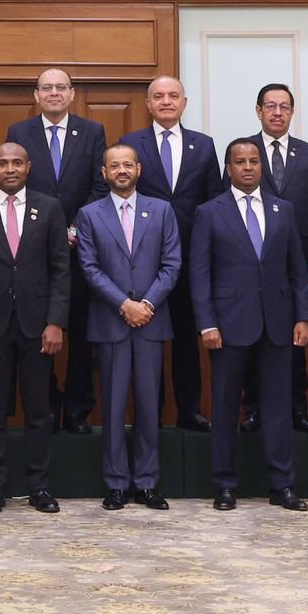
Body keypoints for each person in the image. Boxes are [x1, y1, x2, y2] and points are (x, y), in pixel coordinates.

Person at [192, 139, 308, 512]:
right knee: (225, 408)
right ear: (228, 169)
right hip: (228, 325)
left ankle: (282, 484)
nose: (248, 167)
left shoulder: (283, 209)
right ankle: (224, 485)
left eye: (254, 161)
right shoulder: (209, 212)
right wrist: (207, 323)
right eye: (240, 162)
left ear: (262, 166)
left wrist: (303, 316)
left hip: (277, 323)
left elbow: (297, 270)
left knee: (278, 407)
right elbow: (199, 273)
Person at [0, 142, 71, 514]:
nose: (10, 169)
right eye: (3, 163)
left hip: (38, 326)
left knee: (39, 411)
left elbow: (60, 270)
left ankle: (40, 487)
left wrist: (55, 322)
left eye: (17, 163)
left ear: (28, 167)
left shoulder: (49, 208)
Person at [76, 143, 181, 510]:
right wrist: (124, 304)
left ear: (139, 170)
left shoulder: (162, 210)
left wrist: (146, 304)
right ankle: (116, 483)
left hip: (151, 321)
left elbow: (172, 264)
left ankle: (148, 483)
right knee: (113, 406)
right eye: (114, 166)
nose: (121, 170)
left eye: (127, 165)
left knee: (150, 406)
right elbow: (89, 267)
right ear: (104, 173)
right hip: (111, 321)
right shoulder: (89, 214)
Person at [5, 68, 105, 434]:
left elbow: (99, 185)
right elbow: (15, 184)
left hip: (82, 249)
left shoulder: (92, 131)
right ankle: (45, 405)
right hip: (34, 249)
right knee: (36, 331)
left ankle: (78, 409)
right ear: (36, 95)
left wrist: (75, 228)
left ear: (72, 93)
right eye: (46, 88)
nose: (54, 93)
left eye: (61, 87)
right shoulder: (20, 132)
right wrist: (47, 230)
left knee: (80, 333)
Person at [118, 76, 220, 432]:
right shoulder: (131, 143)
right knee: (148, 341)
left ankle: (189, 411)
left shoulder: (203, 145)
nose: (166, 101)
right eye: (158, 96)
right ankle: (152, 414)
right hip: (145, 260)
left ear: (184, 102)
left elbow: (213, 201)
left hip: (192, 259)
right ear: (148, 104)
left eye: (173, 96)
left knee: (187, 339)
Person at [240, 82, 308, 436]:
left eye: (284, 106)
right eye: (270, 106)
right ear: (258, 111)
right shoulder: (244, 151)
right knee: (253, 337)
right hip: (253, 263)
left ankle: (297, 409)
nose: (277, 112)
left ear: (292, 111)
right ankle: (254, 410)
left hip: (298, 266)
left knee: (295, 337)